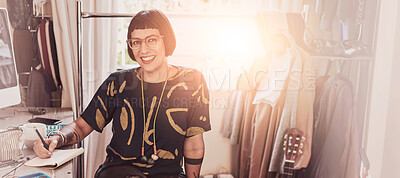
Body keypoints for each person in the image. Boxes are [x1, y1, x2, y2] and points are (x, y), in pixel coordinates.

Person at [33, 9, 211, 178]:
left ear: (167, 40)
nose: (143, 50)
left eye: (151, 40)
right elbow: (81, 126)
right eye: (136, 42)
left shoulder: (192, 81)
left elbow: (194, 145)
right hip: (117, 172)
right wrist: (56, 138)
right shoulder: (117, 82)